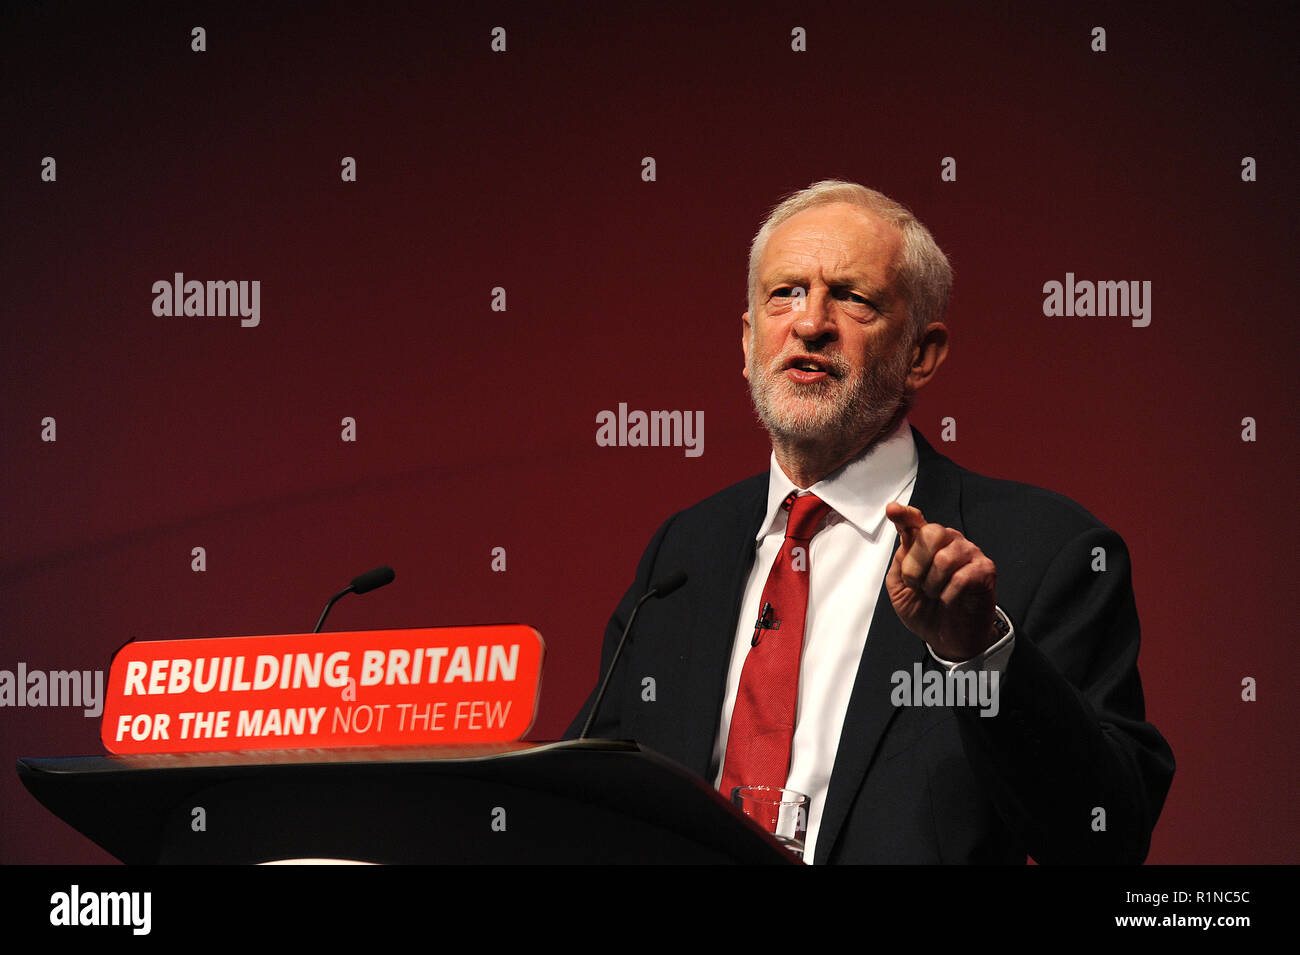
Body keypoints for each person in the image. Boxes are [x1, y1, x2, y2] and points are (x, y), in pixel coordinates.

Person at [567, 180, 1175, 864]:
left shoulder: (1047, 551)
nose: (810, 322)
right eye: (785, 292)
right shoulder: (685, 552)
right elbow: (588, 797)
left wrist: (976, 654)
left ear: (922, 353)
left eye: (852, 297)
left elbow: (1105, 833)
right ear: (747, 342)